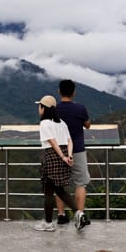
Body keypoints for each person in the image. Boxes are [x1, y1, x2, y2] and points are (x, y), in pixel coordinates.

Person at [34, 95, 77, 232]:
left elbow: (52, 142)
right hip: (63, 155)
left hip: (52, 157)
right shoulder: (62, 123)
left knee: (48, 191)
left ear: (43, 108)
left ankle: (48, 223)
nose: (38, 109)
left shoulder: (44, 123)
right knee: (59, 190)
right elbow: (70, 141)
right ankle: (79, 213)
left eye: (39, 106)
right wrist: (68, 155)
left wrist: (63, 157)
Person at [55, 79, 93, 230]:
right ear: (74, 92)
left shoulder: (55, 109)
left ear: (59, 91)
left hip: (59, 151)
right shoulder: (80, 109)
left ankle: (61, 215)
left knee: (60, 184)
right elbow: (88, 125)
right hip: (77, 149)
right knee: (80, 183)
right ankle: (80, 215)